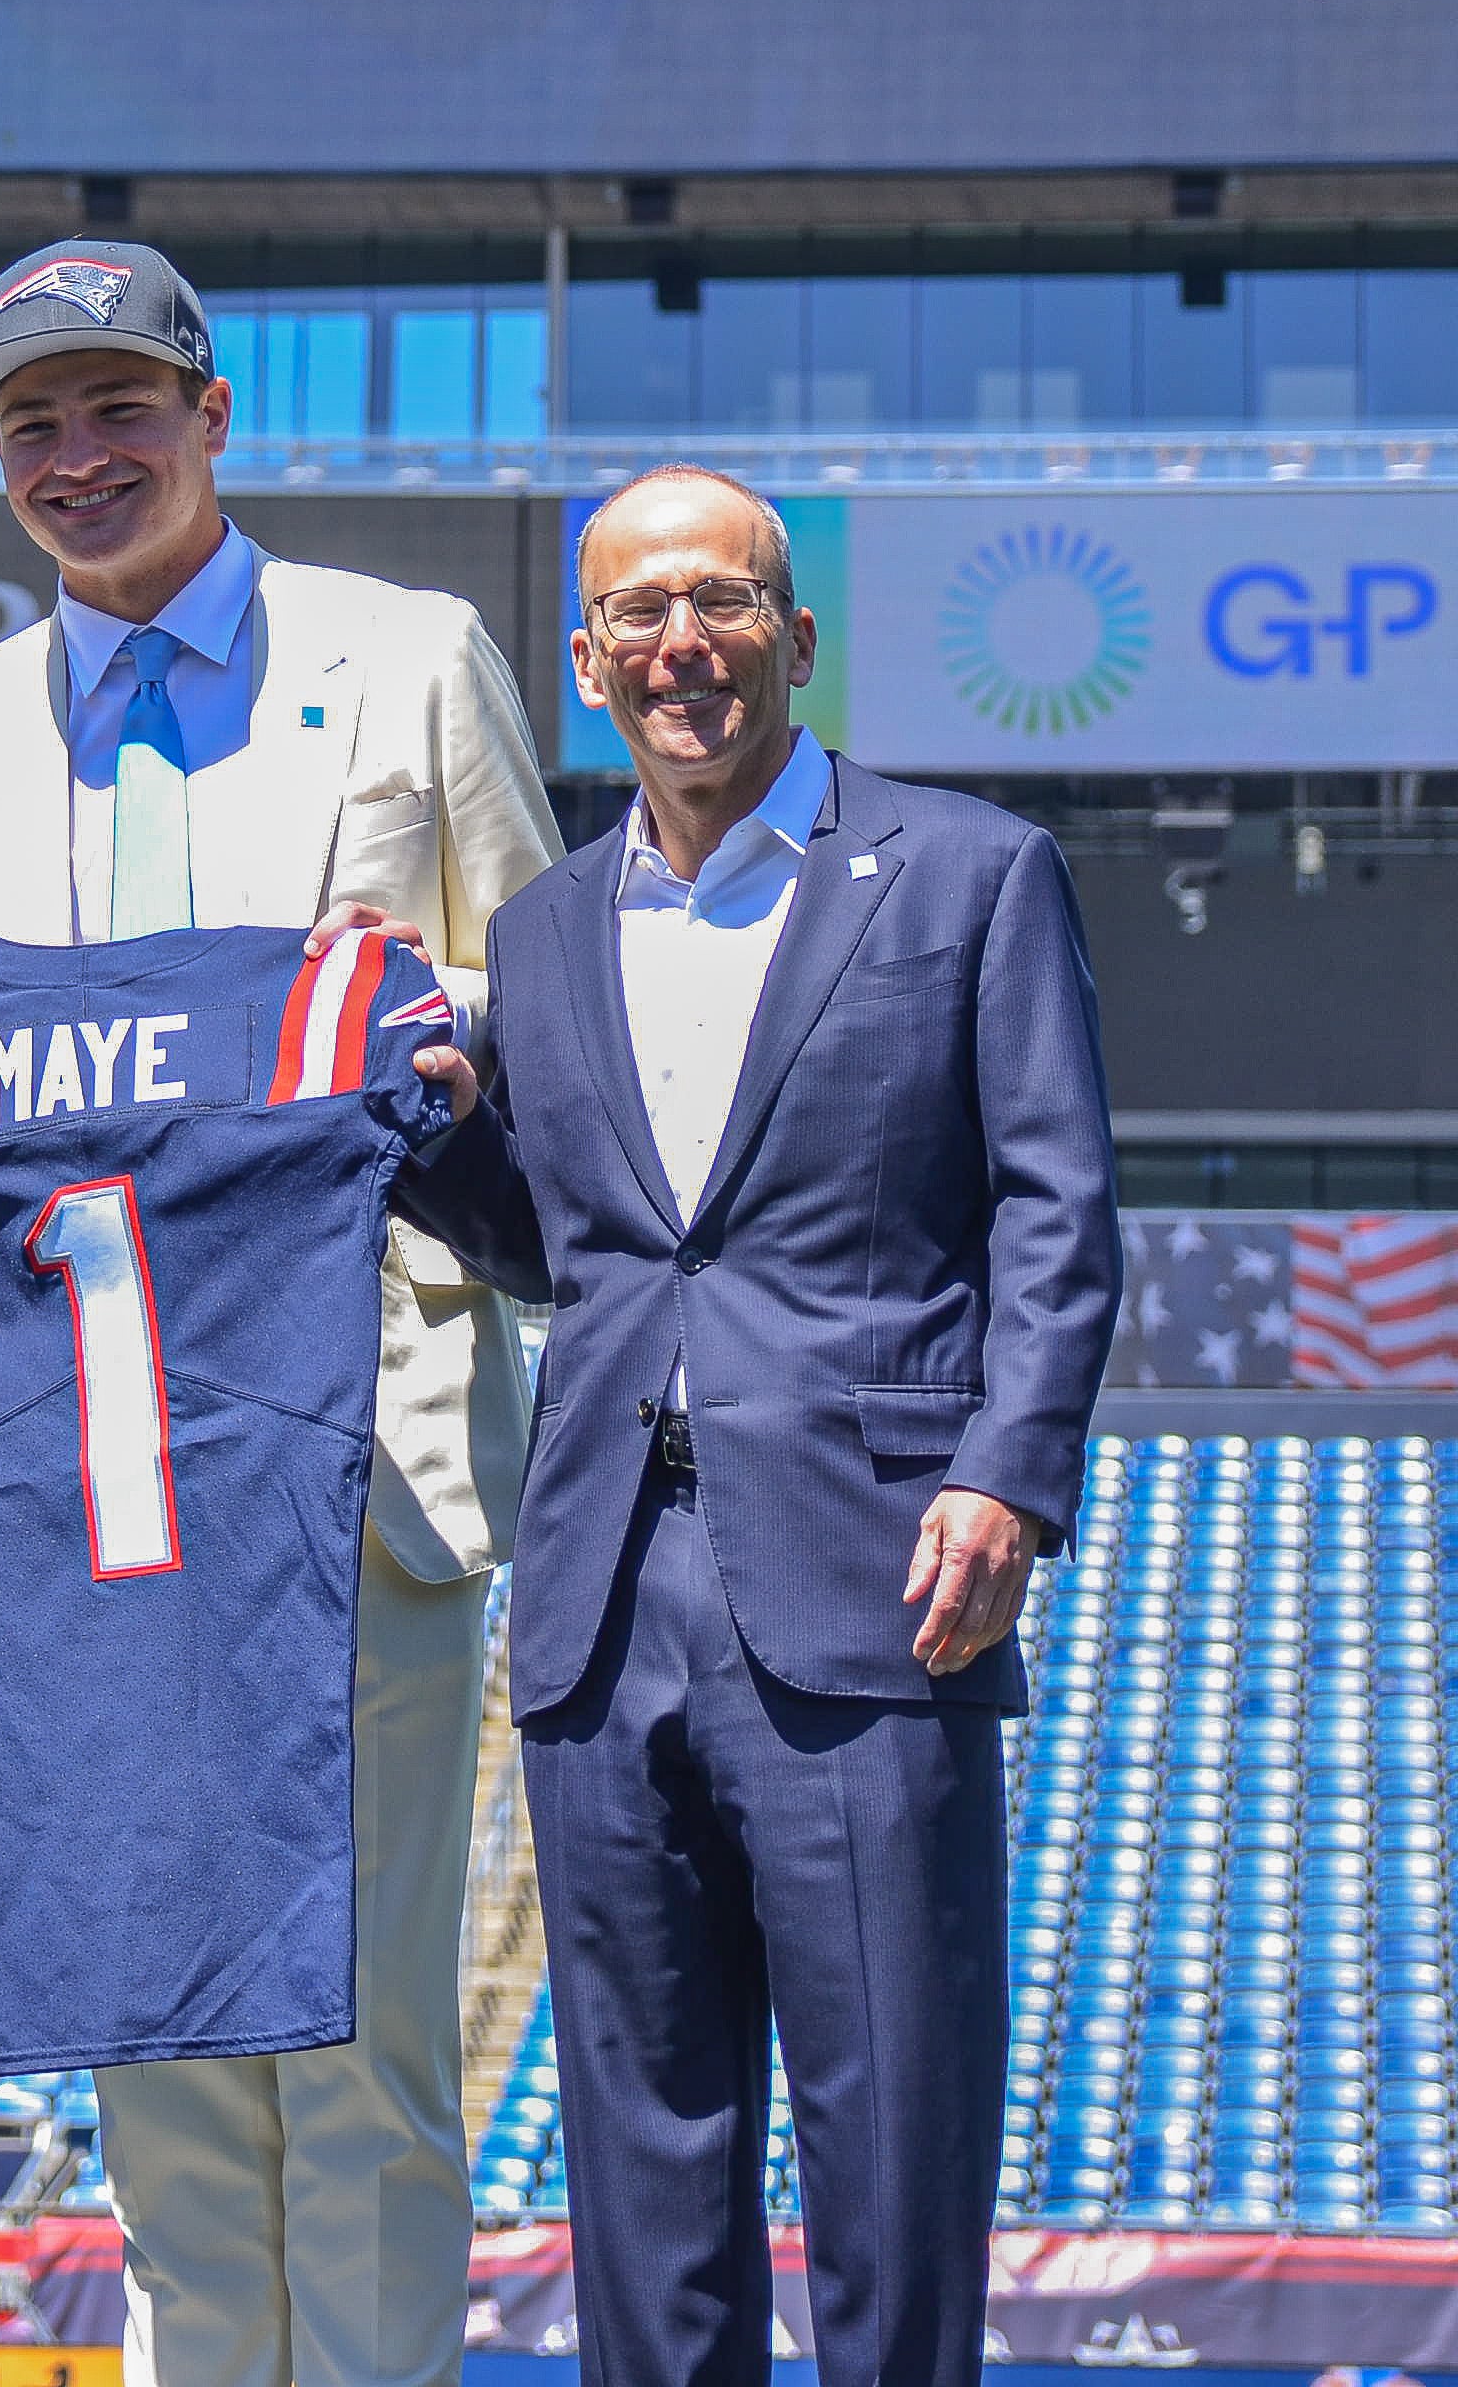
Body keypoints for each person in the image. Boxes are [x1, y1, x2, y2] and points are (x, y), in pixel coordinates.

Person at [0, 238, 560, 2387]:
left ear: (211, 415)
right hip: (90, 1479)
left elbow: (553, 1009)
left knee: (360, 2053)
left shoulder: (410, 654)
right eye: (30, 423)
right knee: (152, 2052)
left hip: (362, 1445)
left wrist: (438, 1042)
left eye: (114, 409)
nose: (78, 458)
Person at [395, 465, 1119, 2387]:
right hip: (601, 1596)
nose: (681, 647)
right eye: (637, 617)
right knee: (643, 2159)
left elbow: (1057, 1204)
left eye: (720, 606)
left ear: (796, 641)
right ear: (586, 663)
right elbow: (580, 1247)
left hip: (876, 1584)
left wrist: (1007, 1478)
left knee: (891, 2149)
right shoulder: (544, 929)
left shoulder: (968, 874)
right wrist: (416, 1138)